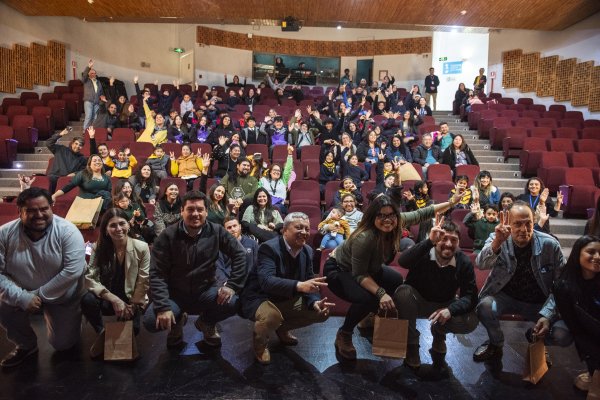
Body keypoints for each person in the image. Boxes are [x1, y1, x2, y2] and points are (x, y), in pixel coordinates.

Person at [324, 189, 466, 360]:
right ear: (373, 217)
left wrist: (452, 202)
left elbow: (424, 212)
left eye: (391, 215)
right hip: (340, 269)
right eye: (381, 216)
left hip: (368, 269)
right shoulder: (365, 237)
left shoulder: (396, 221)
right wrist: (381, 294)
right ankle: (345, 333)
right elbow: (360, 275)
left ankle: (366, 316)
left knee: (396, 280)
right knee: (368, 297)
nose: (387, 220)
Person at [145, 191, 247, 348]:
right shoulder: (167, 236)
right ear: (182, 211)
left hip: (205, 290)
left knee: (234, 303)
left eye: (200, 209)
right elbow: (157, 273)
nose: (195, 214)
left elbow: (240, 255)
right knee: (152, 322)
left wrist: (232, 285)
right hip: (175, 293)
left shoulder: (217, 231)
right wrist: (164, 307)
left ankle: (206, 322)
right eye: (190, 209)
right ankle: (178, 321)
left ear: (207, 211)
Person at [473, 203, 573, 362]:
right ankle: (496, 343)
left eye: (528, 223)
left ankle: (536, 339)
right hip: (506, 298)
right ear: (508, 224)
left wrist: (547, 314)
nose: (524, 229)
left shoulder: (550, 244)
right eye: (517, 224)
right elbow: (480, 264)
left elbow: (563, 284)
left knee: (563, 335)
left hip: (540, 304)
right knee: (485, 306)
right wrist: (497, 242)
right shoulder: (498, 237)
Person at [0, 188, 86, 367]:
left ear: (51, 207)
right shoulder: (4, 234)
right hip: (23, 293)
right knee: (4, 303)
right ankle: (25, 344)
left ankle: (71, 321)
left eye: (44, 209)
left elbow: (72, 271)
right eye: (31, 210)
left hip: (63, 296)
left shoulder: (68, 231)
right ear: (19, 211)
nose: (39, 215)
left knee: (62, 345)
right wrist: (22, 297)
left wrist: (35, 296)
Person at [240, 212, 333, 365]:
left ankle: (281, 329)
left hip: (285, 297)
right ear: (285, 230)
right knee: (271, 316)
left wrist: (314, 302)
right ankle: (260, 345)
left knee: (321, 312)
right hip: (260, 297)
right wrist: (299, 285)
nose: (304, 232)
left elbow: (309, 282)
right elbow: (266, 282)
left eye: (307, 229)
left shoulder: (307, 251)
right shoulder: (269, 248)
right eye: (299, 228)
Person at [395, 217, 480, 367]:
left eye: (454, 240)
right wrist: (428, 242)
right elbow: (403, 262)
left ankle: (439, 332)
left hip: (445, 304)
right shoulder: (424, 251)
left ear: (459, 243)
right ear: (435, 240)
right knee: (403, 292)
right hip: (418, 301)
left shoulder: (464, 262)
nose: (448, 244)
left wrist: (451, 310)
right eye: (443, 239)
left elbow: (471, 297)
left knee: (471, 320)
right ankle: (412, 344)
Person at [80, 209, 150, 358]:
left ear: (128, 225)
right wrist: (113, 299)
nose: (118, 229)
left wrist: (134, 304)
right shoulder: (98, 247)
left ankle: (106, 338)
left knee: (134, 330)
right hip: (108, 297)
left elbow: (144, 280)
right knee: (86, 299)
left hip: (131, 297)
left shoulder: (141, 247)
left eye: (122, 224)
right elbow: (90, 278)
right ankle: (101, 332)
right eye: (112, 225)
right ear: (105, 229)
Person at [552, 236, 600, 392]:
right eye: (591, 252)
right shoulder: (563, 287)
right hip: (589, 333)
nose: (598, 257)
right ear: (577, 254)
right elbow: (576, 329)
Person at [217, 216, 258, 288]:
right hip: (229, 282)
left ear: (240, 226)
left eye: (234, 226)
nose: (232, 229)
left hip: (249, 283)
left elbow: (258, 265)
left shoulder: (252, 243)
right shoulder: (220, 246)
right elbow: (218, 268)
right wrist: (225, 283)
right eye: (229, 228)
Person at [198, 154, 238, 225]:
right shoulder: (206, 202)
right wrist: (205, 169)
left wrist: (234, 210)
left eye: (222, 193)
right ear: (212, 190)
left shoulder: (223, 207)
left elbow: (228, 223)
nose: (220, 194)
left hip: (221, 234)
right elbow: (202, 187)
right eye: (218, 191)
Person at [46, 128, 88, 194]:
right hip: (54, 177)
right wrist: (59, 135)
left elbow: (84, 171)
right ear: (72, 144)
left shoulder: (83, 159)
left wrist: (75, 174)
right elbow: (49, 143)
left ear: (82, 147)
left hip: (67, 181)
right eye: (76, 144)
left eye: (80, 145)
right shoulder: (61, 149)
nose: (77, 146)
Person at [259, 146, 294, 213]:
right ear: (270, 171)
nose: (276, 172)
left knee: (275, 208)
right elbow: (258, 192)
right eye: (274, 170)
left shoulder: (283, 180)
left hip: (279, 205)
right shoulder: (263, 180)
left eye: (278, 171)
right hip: (265, 204)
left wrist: (290, 154)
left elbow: (288, 169)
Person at [82, 59, 102, 132]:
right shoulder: (86, 80)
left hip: (96, 102)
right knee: (88, 116)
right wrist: (89, 67)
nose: (94, 74)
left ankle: (92, 131)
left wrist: (101, 99)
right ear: (89, 74)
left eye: (95, 73)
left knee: (95, 118)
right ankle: (85, 131)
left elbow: (101, 92)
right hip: (88, 101)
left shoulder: (99, 82)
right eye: (92, 73)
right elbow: (84, 75)